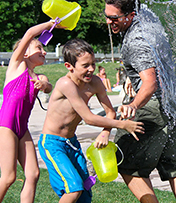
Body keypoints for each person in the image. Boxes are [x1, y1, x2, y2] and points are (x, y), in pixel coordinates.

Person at [104, 1, 176, 202]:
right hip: (173, 104)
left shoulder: (136, 41)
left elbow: (150, 82)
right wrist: (130, 76)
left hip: (150, 106)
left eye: (114, 18)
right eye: (107, 16)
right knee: (175, 168)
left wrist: (133, 104)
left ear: (130, 14)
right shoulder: (149, 19)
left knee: (125, 163)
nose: (109, 21)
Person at [38, 38, 144, 203]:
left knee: (85, 192)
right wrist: (122, 125)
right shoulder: (65, 84)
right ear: (69, 66)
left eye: (93, 64)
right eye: (85, 65)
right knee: (74, 188)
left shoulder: (95, 83)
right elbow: (88, 118)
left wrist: (105, 133)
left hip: (71, 143)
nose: (91, 69)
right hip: (52, 143)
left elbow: (110, 112)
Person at [0, 21, 56, 202]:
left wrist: (44, 85)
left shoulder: (39, 77)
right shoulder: (17, 65)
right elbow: (29, 34)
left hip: (22, 129)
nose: (44, 52)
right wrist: (51, 23)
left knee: (33, 174)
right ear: (25, 51)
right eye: (39, 48)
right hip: (5, 126)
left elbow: (48, 86)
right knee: (9, 177)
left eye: (44, 49)